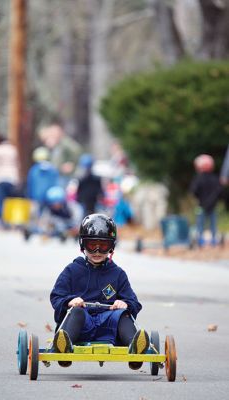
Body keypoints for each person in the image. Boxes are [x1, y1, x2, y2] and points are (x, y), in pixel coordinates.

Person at [50, 213, 149, 369]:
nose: (97, 251)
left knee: (123, 314)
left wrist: (124, 303)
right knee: (77, 311)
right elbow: (56, 296)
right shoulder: (72, 270)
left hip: (108, 325)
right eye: (92, 245)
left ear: (111, 247)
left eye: (103, 246)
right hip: (82, 325)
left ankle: (135, 348)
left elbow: (133, 302)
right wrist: (70, 301)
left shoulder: (118, 274)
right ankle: (65, 346)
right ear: (83, 245)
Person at [190, 154, 222, 246]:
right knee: (213, 225)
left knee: (200, 224)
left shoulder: (198, 179)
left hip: (201, 206)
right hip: (213, 206)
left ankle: (200, 240)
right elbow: (219, 192)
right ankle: (213, 241)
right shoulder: (215, 178)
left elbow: (193, 191)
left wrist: (200, 200)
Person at [39, 123, 82, 188]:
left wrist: (72, 164)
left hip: (65, 176)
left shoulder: (65, 142)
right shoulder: (56, 145)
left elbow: (77, 151)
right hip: (57, 175)